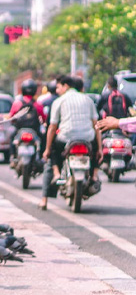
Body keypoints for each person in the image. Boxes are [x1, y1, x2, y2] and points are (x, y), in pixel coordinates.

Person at [39, 75, 102, 210]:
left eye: (58, 87)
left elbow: (52, 127)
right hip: (87, 138)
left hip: (66, 138)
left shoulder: (59, 101)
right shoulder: (88, 100)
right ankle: (95, 175)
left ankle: (56, 174)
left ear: (66, 86)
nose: (57, 91)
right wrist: (100, 149)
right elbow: (96, 125)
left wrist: (47, 148)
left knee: (54, 150)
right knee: (95, 150)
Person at [7, 79, 46, 167]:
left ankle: (12, 157)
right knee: (43, 139)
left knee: (12, 137)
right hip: (34, 131)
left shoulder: (17, 103)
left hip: (19, 130)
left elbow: (11, 117)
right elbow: (43, 118)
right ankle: (41, 158)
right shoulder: (38, 104)